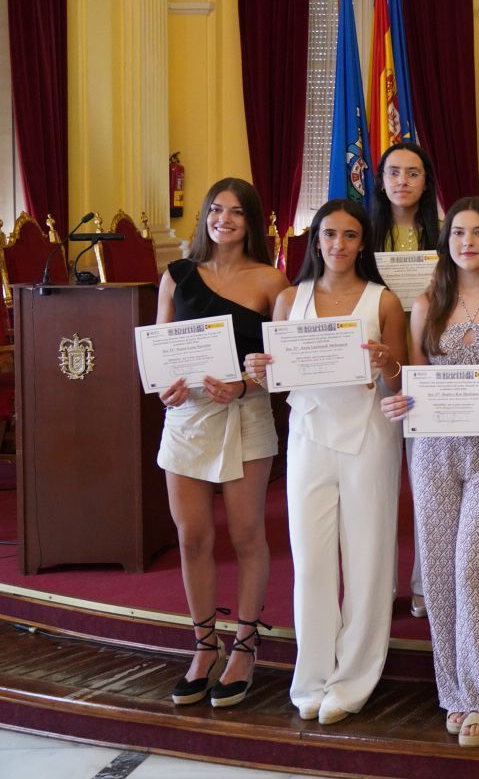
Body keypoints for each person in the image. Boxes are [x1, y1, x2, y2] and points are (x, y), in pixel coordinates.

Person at [380, 198, 479, 749]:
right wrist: (399, 400)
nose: (467, 242)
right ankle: (453, 690)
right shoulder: (428, 302)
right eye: (457, 233)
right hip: (432, 451)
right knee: (440, 573)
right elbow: (414, 380)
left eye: (478, 233)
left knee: (476, 567)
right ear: (445, 240)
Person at [245, 198, 407, 725]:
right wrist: (258, 370)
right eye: (330, 234)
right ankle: (312, 674)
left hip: (371, 435)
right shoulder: (290, 299)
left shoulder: (384, 301)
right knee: (312, 561)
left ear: (363, 243)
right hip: (309, 434)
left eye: (350, 235)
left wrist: (388, 362)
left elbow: (400, 383)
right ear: (315, 240)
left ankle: (354, 677)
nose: (338, 244)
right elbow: (275, 379)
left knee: (367, 559)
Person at [157, 178, 288, 709]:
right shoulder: (176, 276)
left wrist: (244, 385)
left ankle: (246, 646)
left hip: (245, 415)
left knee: (247, 535)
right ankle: (204, 646)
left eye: (235, 212)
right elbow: (160, 353)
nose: (223, 219)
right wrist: (164, 387)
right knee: (192, 537)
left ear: (250, 221)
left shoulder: (272, 281)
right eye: (215, 209)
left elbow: (281, 368)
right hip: (188, 417)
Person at [369, 140, 442, 620]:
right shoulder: (363, 232)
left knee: (426, 480)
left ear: (426, 180)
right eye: (394, 172)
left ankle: (424, 582)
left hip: (430, 363)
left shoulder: (445, 232)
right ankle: (379, 585)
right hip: (376, 360)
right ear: (380, 180)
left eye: (413, 173)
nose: (402, 181)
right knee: (375, 480)